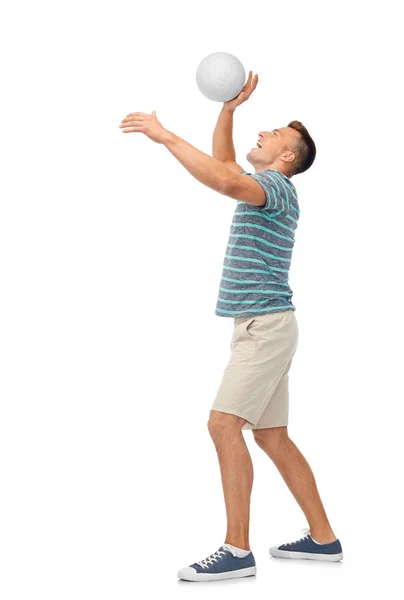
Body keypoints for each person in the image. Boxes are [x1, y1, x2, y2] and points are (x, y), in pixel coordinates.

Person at [119, 71, 343, 583]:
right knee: (272, 437)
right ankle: (324, 540)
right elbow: (223, 167)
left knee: (223, 426)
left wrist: (165, 135)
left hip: (265, 328)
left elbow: (221, 179)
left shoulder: (276, 188)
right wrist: (228, 110)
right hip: (265, 325)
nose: (264, 133)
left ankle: (236, 549)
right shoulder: (262, 184)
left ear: (287, 158)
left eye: (276, 136)